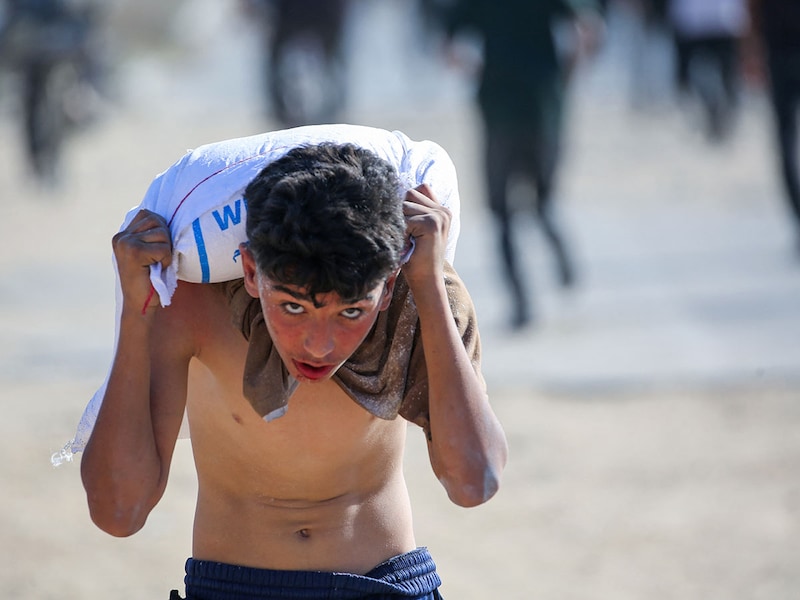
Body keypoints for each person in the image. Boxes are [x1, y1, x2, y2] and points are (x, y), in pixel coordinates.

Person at [76, 125, 508, 600]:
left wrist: (426, 288)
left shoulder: (420, 298)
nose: (319, 346)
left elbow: (474, 483)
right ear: (250, 272)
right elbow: (118, 512)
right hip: (230, 589)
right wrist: (138, 316)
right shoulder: (191, 306)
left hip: (383, 585)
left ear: (385, 289)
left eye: (350, 312)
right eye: (293, 307)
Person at [438, 0, 604, 329]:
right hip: (543, 106)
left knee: (501, 213)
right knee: (541, 201)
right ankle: (560, 257)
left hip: (499, 107)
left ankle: (522, 303)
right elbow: (590, 30)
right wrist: (566, 74)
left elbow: (449, 47)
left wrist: (478, 72)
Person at [745, 0, 800, 256]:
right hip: (778, 52)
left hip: (778, 51)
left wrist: (750, 49)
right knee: (784, 141)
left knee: (785, 140)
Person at [666, 0, 749, 142]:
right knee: (691, 77)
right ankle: (713, 109)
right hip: (700, 18)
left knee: (725, 76)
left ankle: (720, 114)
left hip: (714, 18)